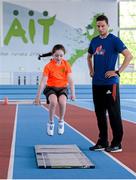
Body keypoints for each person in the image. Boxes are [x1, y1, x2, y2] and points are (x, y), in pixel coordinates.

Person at [87, 15, 133, 152]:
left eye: (103, 26)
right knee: (99, 113)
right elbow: (89, 56)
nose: (100, 28)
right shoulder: (94, 41)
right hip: (97, 83)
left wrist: (118, 72)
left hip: (110, 83)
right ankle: (102, 141)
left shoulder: (114, 40)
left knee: (113, 113)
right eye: (98, 26)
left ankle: (117, 143)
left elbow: (129, 56)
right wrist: (91, 70)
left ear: (107, 26)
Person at [34, 44, 75, 136]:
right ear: (52, 55)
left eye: (61, 55)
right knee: (53, 102)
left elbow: (71, 80)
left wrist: (73, 93)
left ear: (63, 56)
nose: (59, 58)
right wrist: (37, 97)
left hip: (62, 88)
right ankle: (51, 123)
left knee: (63, 102)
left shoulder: (66, 64)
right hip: (51, 88)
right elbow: (43, 82)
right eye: (56, 55)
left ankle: (61, 121)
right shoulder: (48, 66)